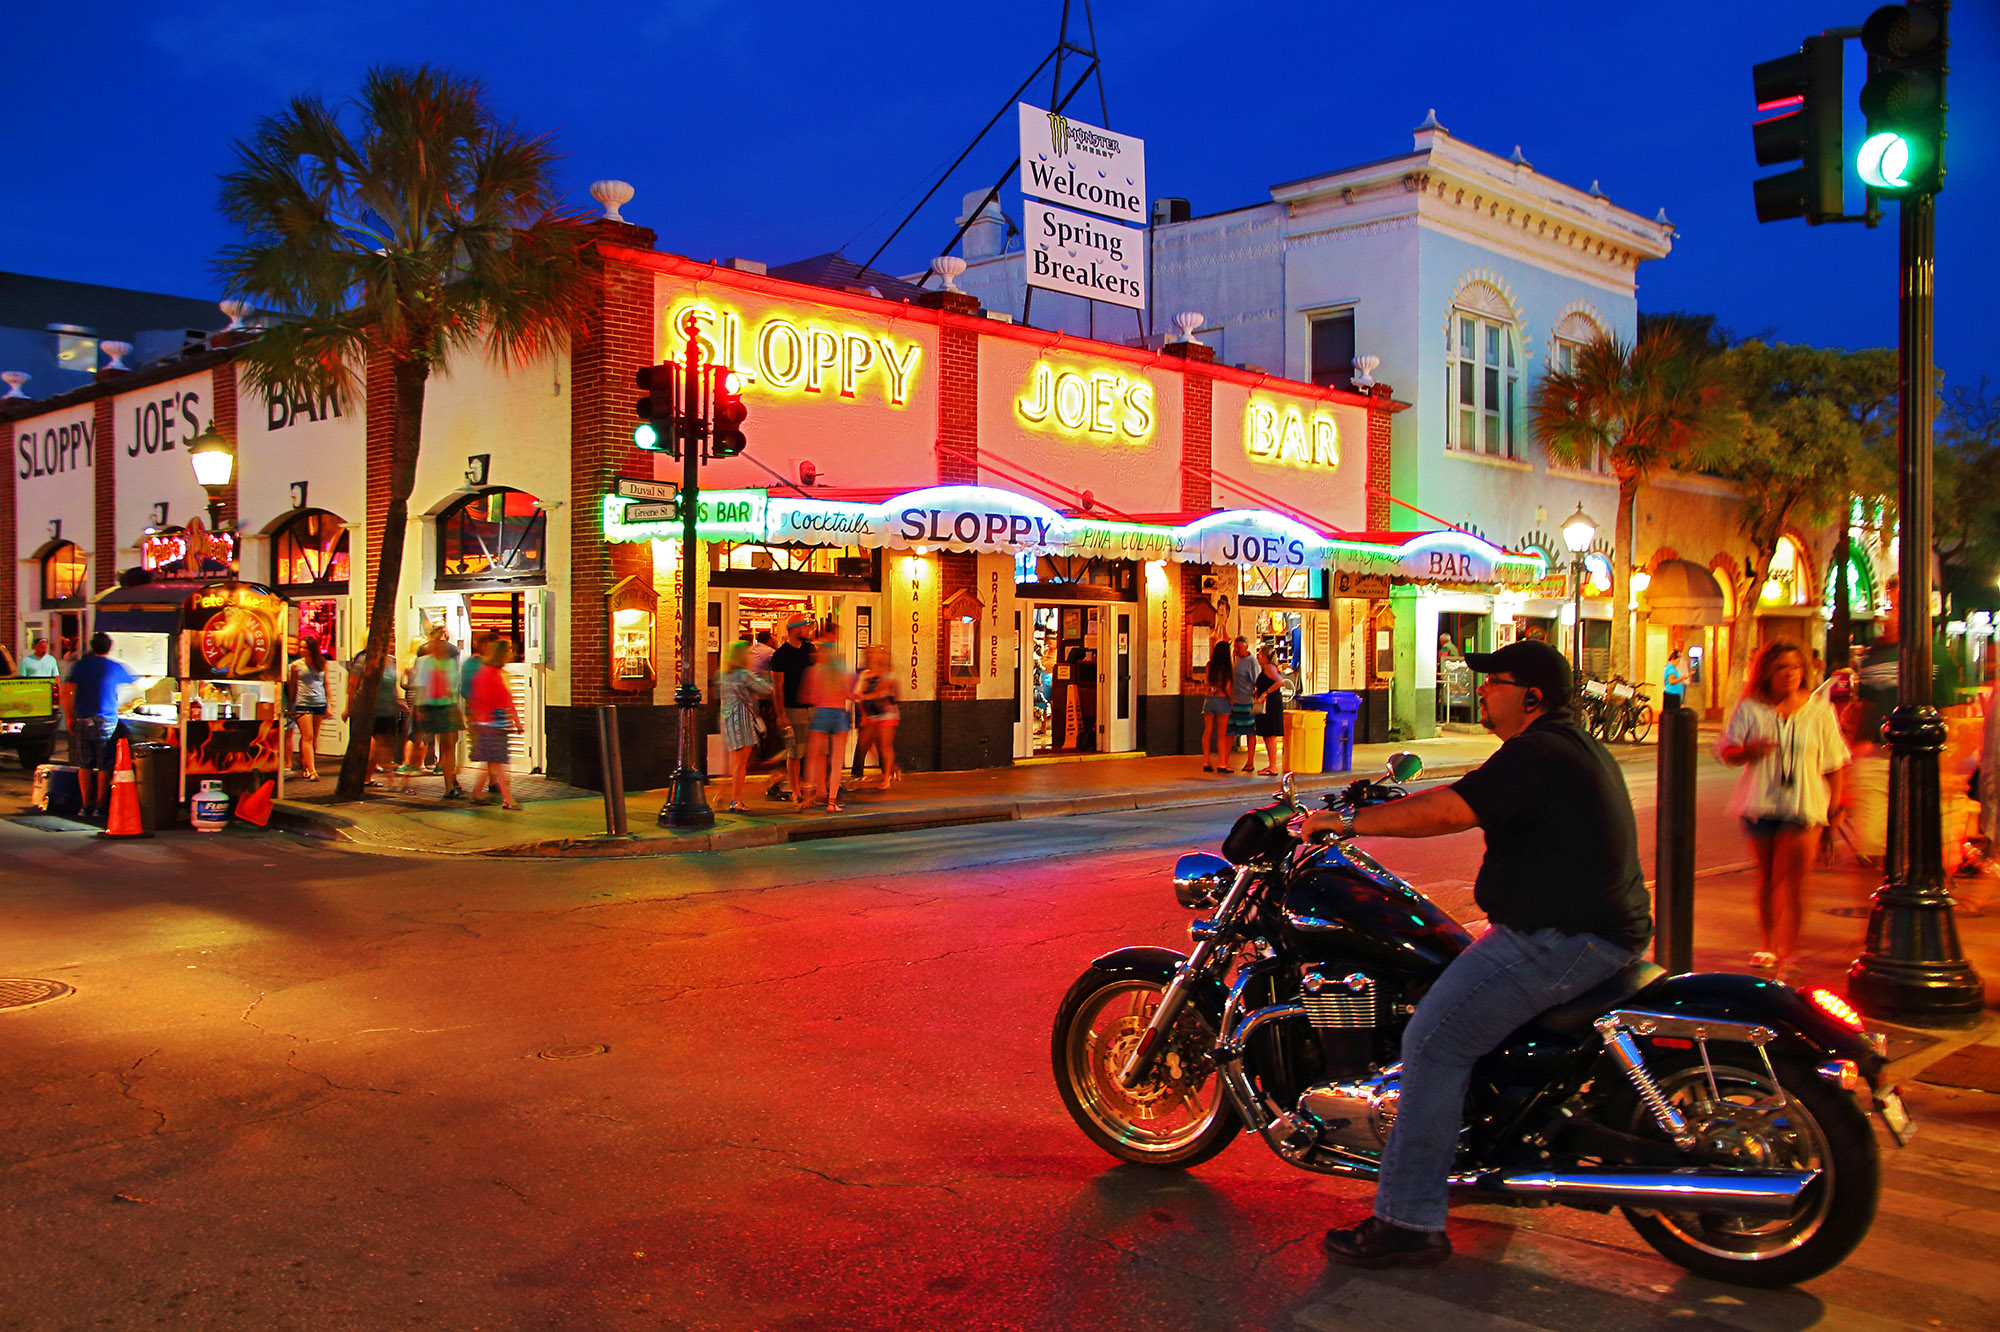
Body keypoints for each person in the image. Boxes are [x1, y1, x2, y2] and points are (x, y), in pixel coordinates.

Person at [1300, 639, 1651, 1269]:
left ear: (1533, 696)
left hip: (1560, 939)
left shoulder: (1537, 750)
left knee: (1433, 1043)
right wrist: (1375, 802)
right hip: (1588, 932)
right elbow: (1467, 792)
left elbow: (1450, 810)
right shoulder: (1558, 747)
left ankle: (1407, 1220)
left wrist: (1348, 826)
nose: (1482, 691)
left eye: (1495, 683)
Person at [1718, 641, 1849, 980]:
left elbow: (1835, 764)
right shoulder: (1751, 708)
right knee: (1766, 878)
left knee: (1790, 880)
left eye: (1795, 667)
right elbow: (1727, 753)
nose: (1789, 673)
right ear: (1767, 673)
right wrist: (1749, 751)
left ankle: (1789, 950)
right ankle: (1768, 945)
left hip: (1804, 805)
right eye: (1781, 667)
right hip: (1760, 803)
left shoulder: (1819, 711)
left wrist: (1834, 809)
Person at [63, 633, 137, 822]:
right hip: (107, 721)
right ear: (109, 647)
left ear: (92, 646)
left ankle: (85, 805)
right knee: (105, 764)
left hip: (83, 719)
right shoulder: (114, 666)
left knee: (84, 763)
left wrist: (70, 716)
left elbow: (67, 691)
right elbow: (138, 683)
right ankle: (100, 806)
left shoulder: (80, 666)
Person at [801, 626, 854, 813]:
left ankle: (806, 798)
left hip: (821, 714)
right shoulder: (843, 671)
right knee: (837, 760)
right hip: (839, 714)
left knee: (813, 757)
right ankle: (832, 802)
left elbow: (809, 697)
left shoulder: (815, 671)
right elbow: (852, 693)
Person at [717, 639, 773, 812]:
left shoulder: (723, 675)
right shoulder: (743, 675)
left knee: (732, 762)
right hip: (741, 719)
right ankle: (736, 801)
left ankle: (721, 795)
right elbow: (767, 689)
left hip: (726, 718)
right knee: (741, 763)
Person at [467, 638, 523, 809]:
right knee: (498, 763)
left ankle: (476, 793)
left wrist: (516, 721)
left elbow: (507, 699)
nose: (511, 654)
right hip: (490, 724)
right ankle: (508, 799)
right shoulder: (488, 674)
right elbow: (483, 700)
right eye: (508, 651)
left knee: (491, 762)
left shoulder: (496, 673)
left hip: (494, 724)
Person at [767, 615, 817, 801]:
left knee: (813, 750)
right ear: (795, 629)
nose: (808, 629)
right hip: (792, 708)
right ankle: (795, 789)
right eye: (805, 626)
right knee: (795, 751)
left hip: (811, 707)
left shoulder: (810, 649)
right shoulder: (780, 655)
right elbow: (777, 688)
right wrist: (781, 714)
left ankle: (811, 786)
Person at [412, 636, 466, 799]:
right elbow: (422, 686)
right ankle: (449, 782)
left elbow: (421, 685)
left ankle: (450, 781)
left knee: (449, 744)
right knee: (447, 744)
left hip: (442, 706)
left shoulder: (430, 663)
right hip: (439, 707)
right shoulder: (431, 663)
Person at [344, 648, 403, 787]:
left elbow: (393, 684)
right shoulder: (364, 659)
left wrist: (398, 701)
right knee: (372, 744)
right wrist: (348, 708)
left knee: (384, 744)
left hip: (387, 708)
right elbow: (353, 685)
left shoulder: (391, 660)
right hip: (368, 708)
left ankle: (371, 777)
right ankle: (363, 777)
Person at [854, 644, 902, 790]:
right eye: (871, 654)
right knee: (864, 743)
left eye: (877, 653)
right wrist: (862, 713)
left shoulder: (890, 673)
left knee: (885, 745)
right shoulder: (865, 674)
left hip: (887, 713)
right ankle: (891, 769)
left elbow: (884, 691)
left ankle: (886, 777)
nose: (874, 656)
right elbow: (859, 695)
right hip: (871, 715)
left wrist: (864, 696)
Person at [287, 638, 329, 781]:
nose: (301, 650)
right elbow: (293, 686)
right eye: (301, 647)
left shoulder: (322, 663)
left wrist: (330, 703)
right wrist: (290, 705)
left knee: (314, 737)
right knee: (307, 736)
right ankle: (312, 770)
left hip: (319, 701)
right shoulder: (296, 665)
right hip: (303, 702)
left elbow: (327, 684)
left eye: (305, 647)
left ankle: (306, 764)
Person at [1251, 646, 1286, 776]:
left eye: (1260, 654)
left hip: (1270, 704)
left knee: (1270, 734)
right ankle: (1271, 765)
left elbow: (1280, 682)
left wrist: (1265, 692)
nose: (1258, 657)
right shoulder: (1268, 668)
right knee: (1267, 735)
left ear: (1265, 656)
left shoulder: (1269, 667)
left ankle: (1273, 766)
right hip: (1270, 702)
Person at [1228, 636, 1260, 773]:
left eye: (1239, 647)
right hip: (1234, 701)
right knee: (1229, 731)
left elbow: (1256, 681)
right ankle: (1225, 760)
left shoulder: (1252, 662)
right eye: (1235, 647)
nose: (1236, 650)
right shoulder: (1234, 659)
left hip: (1246, 702)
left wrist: (1255, 698)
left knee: (1249, 732)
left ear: (1246, 647)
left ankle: (1250, 761)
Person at [1200, 641, 1232, 773]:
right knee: (1221, 734)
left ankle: (1206, 761)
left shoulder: (1209, 665)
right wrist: (1232, 700)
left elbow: (1207, 681)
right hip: (1222, 700)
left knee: (1207, 731)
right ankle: (1222, 763)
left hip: (1209, 700)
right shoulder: (1227, 668)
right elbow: (1228, 687)